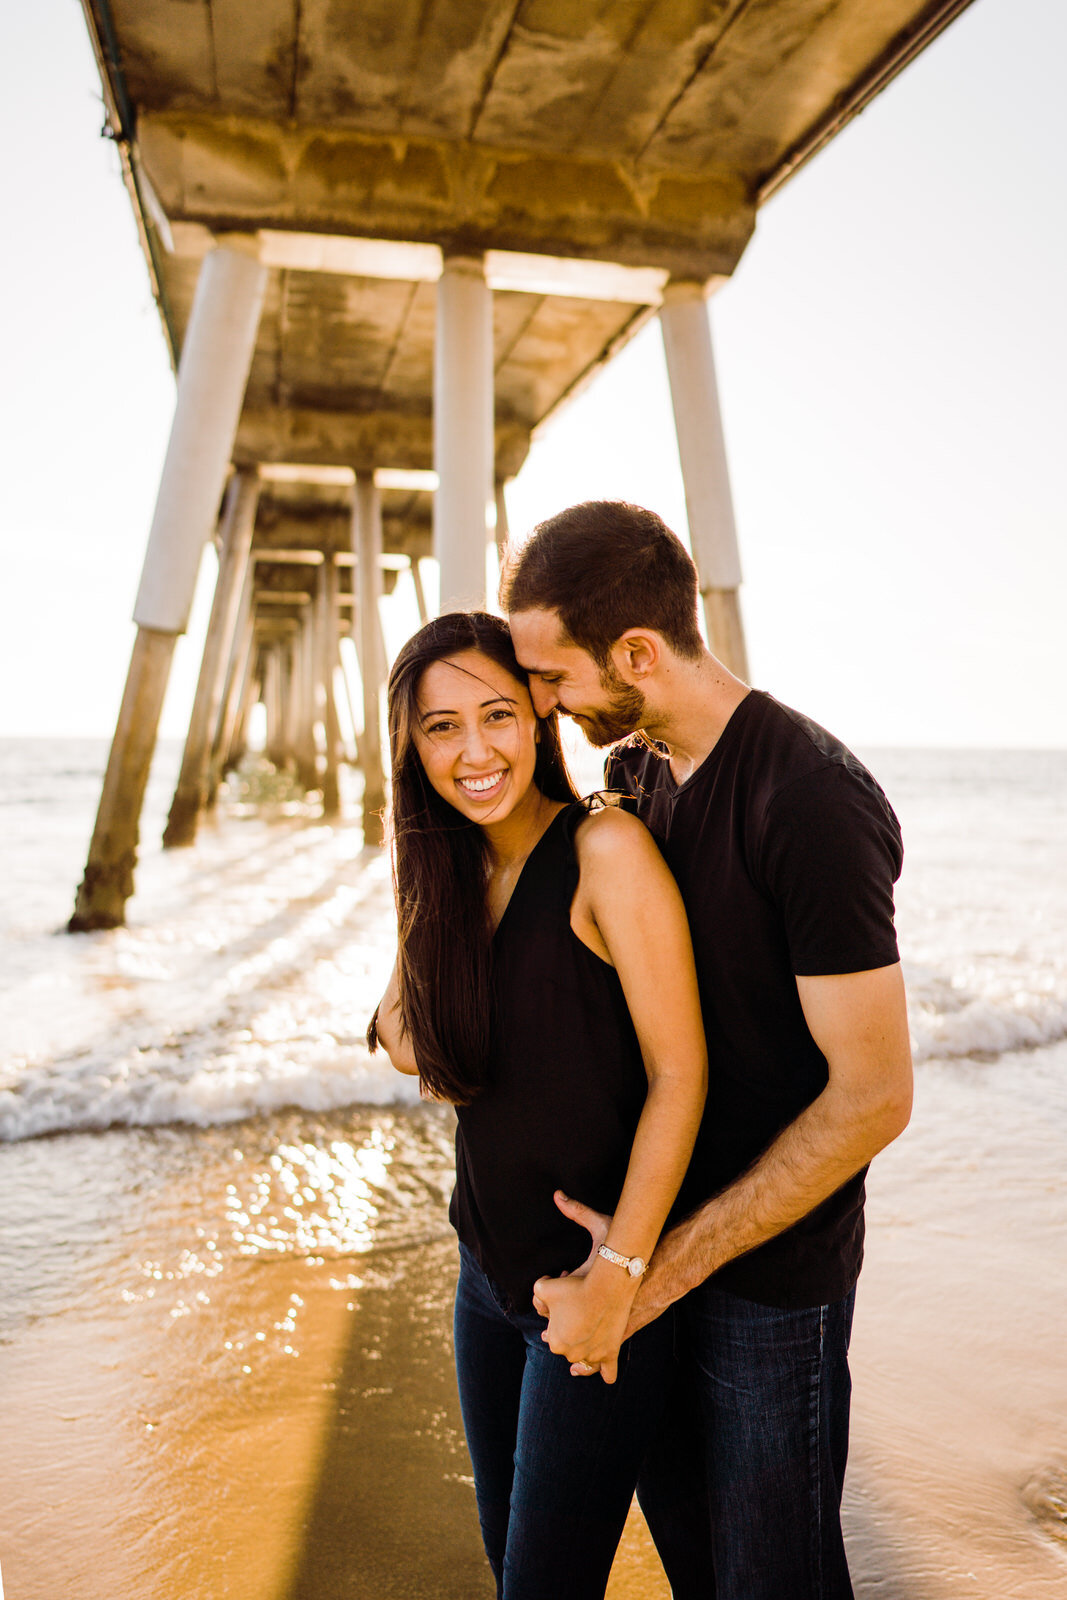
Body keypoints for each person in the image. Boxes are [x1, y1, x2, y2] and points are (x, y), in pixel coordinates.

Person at [503, 502, 913, 1600]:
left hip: (770, 1284)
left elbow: (872, 1097)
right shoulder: (636, 776)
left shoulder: (811, 799)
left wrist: (653, 1270)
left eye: (550, 677)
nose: (541, 703)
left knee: (771, 1579)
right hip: (652, 1251)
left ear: (633, 653)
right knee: (699, 1566)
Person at [368, 610, 707, 1600]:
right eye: (439, 728)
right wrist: (422, 877)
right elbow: (405, 1046)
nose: (474, 751)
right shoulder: (454, 863)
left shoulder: (604, 849)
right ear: (409, 744)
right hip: (485, 1274)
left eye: (496, 715)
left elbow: (681, 1073)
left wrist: (620, 1271)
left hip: (595, 1289)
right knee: (504, 1560)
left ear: (535, 717)